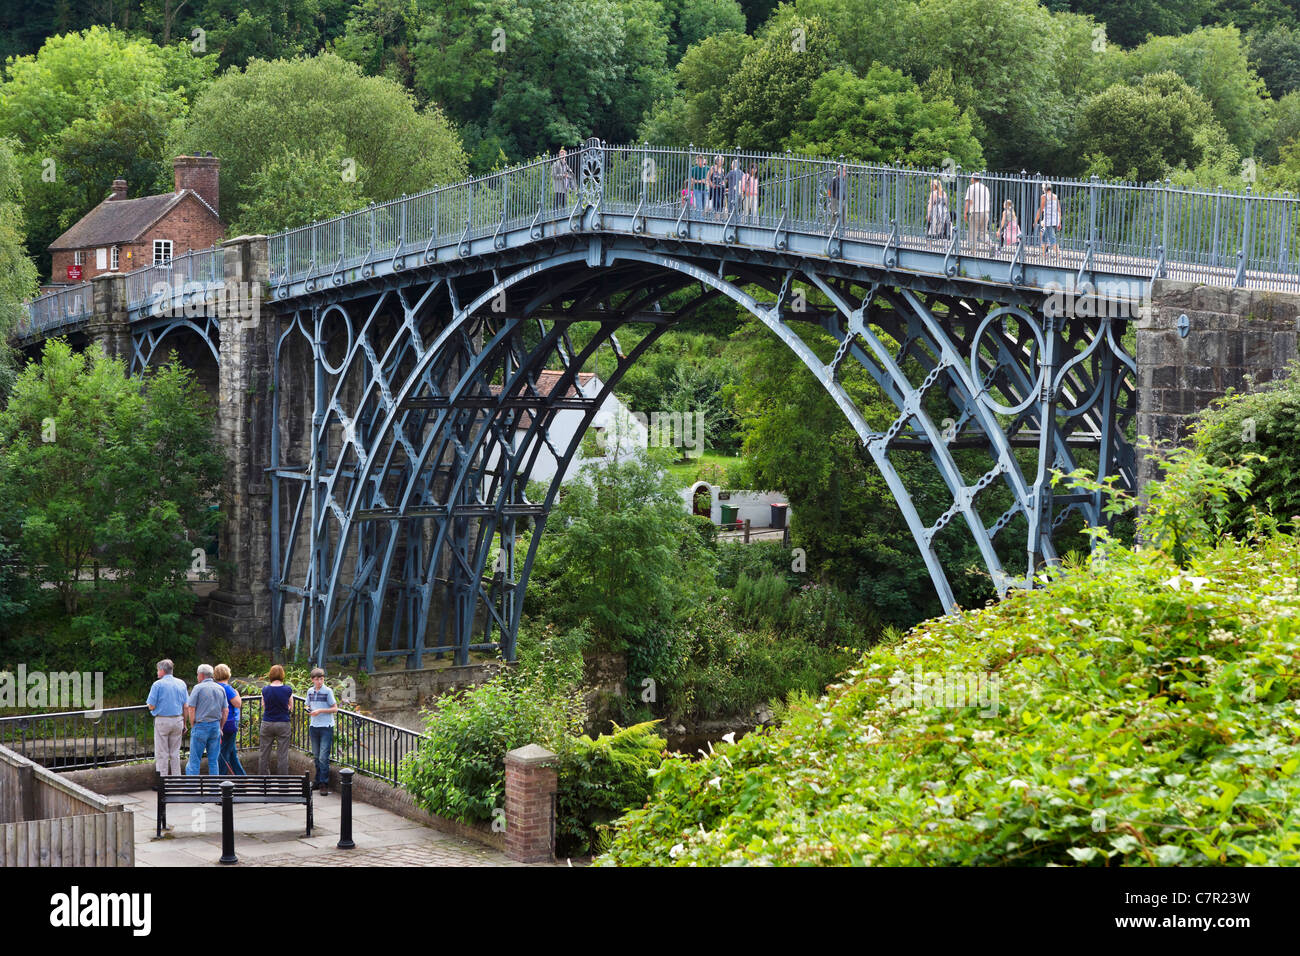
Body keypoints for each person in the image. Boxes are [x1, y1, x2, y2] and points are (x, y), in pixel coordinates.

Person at [146, 659, 188, 776]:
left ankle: (163, 782)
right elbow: (186, 706)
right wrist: (185, 723)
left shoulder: (157, 685)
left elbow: (151, 706)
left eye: (158, 670)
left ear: (162, 671)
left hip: (162, 721)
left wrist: (149, 706)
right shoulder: (181, 683)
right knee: (175, 753)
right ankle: (176, 780)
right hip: (178, 720)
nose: (157, 672)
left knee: (162, 753)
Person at [185, 664, 228, 776]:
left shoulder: (197, 688)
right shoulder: (220, 688)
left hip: (200, 726)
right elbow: (225, 711)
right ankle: (214, 789)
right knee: (214, 761)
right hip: (215, 727)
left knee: (194, 761)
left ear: (201, 675)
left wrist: (193, 724)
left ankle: (192, 789)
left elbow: (191, 708)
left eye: (197, 675)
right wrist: (221, 727)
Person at [306, 668, 339, 795]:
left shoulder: (328, 691)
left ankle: (324, 783)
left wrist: (320, 710)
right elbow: (307, 704)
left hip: (326, 726)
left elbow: (335, 708)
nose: (319, 681)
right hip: (314, 726)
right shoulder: (310, 691)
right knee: (316, 755)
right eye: (317, 679)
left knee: (323, 756)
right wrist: (309, 710)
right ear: (312, 680)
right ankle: (318, 780)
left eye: (321, 679)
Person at [259, 664, 294, 775]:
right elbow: (290, 706)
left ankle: (263, 782)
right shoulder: (288, 690)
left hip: (267, 722)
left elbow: (263, 705)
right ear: (282, 675)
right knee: (282, 755)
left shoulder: (265, 689)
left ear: (271, 675)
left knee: (264, 754)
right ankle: (283, 783)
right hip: (283, 723)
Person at [214, 664, 245, 775]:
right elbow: (237, 704)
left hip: (216, 722)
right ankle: (220, 779)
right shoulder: (227, 688)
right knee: (224, 753)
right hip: (229, 723)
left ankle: (242, 777)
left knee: (231, 752)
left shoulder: (214, 687)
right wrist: (237, 693)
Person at [1035, 182, 1062, 260]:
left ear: (1044, 188)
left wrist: (1035, 221)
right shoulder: (1055, 196)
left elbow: (1040, 209)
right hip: (1055, 219)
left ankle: (1058, 256)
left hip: (1048, 220)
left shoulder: (1044, 196)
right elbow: (1059, 210)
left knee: (1052, 238)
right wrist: (1059, 221)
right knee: (1044, 237)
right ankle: (1043, 255)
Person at [964, 172, 991, 249]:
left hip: (976, 212)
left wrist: (965, 213)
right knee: (983, 233)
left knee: (973, 232)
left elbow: (968, 201)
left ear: (972, 179)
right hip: (985, 213)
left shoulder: (971, 187)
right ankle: (991, 245)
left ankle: (972, 252)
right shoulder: (985, 188)